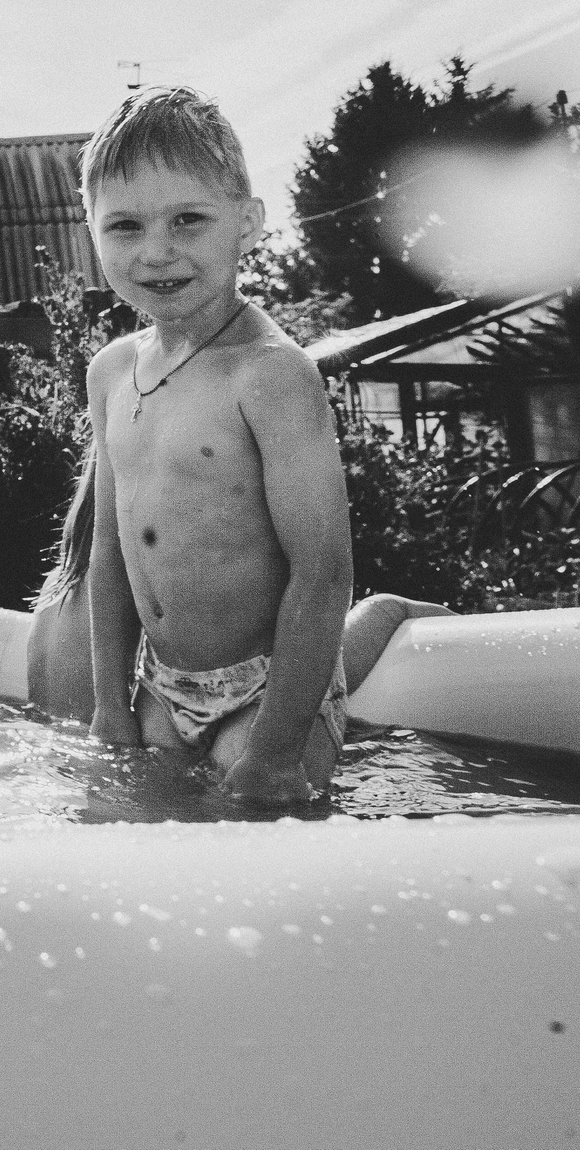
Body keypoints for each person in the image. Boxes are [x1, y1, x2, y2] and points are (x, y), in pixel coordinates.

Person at [78, 85, 371, 807]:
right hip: (163, 685)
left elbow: (323, 571)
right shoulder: (112, 372)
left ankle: (380, 628)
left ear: (247, 224)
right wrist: (111, 706)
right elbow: (111, 554)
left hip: (271, 690)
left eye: (188, 219)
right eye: (124, 226)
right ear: (89, 230)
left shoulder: (270, 374)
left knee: (246, 836)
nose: (157, 251)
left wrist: (275, 749)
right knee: (126, 834)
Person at [25, 455, 452, 732]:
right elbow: (317, 665)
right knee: (381, 610)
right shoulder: (140, 590)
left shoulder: (53, 593)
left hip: (68, 767)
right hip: (138, 769)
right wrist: (386, 610)